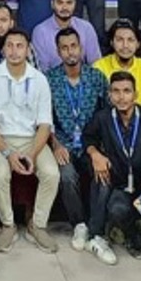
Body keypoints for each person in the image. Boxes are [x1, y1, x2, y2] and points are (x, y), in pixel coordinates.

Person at [80, 71, 141, 265]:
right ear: (109, 95)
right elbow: (87, 138)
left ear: (136, 94)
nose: (121, 97)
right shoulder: (103, 117)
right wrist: (95, 154)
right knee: (117, 210)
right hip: (121, 185)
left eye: (126, 91)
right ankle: (130, 231)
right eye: (116, 91)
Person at [0, 28, 60, 254]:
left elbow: (44, 125)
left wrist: (32, 155)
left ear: (28, 50)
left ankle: (37, 225)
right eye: (9, 45)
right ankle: (8, 225)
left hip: (32, 140)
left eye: (20, 46)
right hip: (1, 139)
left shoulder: (39, 80)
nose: (14, 51)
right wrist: (8, 153)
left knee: (51, 173)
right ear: (2, 50)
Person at [45, 27, 109, 251]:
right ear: (58, 51)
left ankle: (97, 230)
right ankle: (79, 224)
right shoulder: (49, 80)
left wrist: (101, 150)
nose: (70, 51)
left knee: (103, 176)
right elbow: (44, 119)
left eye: (73, 46)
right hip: (63, 143)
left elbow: (107, 114)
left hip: (92, 144)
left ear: (81, 48)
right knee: (67, 175)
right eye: (64, 48)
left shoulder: (96, 77)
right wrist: (55, 144)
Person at [31, 0, 102, 71]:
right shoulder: (40, 32)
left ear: (75, 4)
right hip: (51, 79)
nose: (64, 7)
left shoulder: (86, 28)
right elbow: (42, 70)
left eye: (69, 3)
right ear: (52, 4)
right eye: (60, 2)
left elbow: (96, 64)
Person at [95, 19, 141, 107]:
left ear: (138, 44)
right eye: (119, 40)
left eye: (130, 40)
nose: (125, 45)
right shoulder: (98, 68)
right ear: (111, 43)